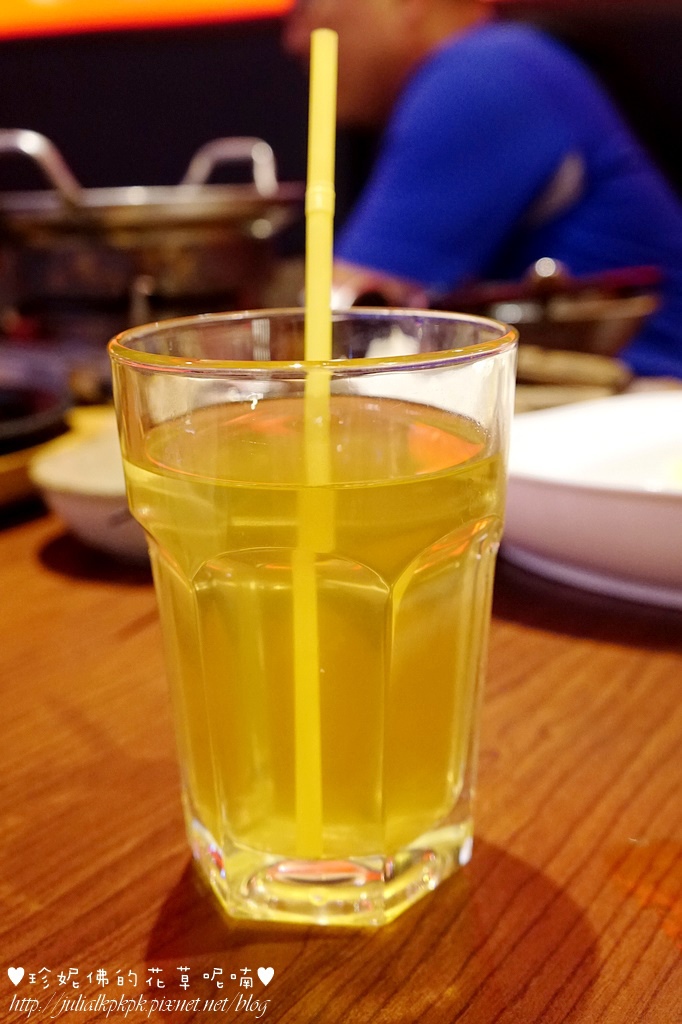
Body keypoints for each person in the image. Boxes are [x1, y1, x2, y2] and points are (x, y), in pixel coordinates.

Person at [284, 0, 682, 378]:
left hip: (648, 401)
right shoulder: (506, 61)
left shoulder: (482, 71)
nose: (295, 40)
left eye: (308, 6)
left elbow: (331, 323)